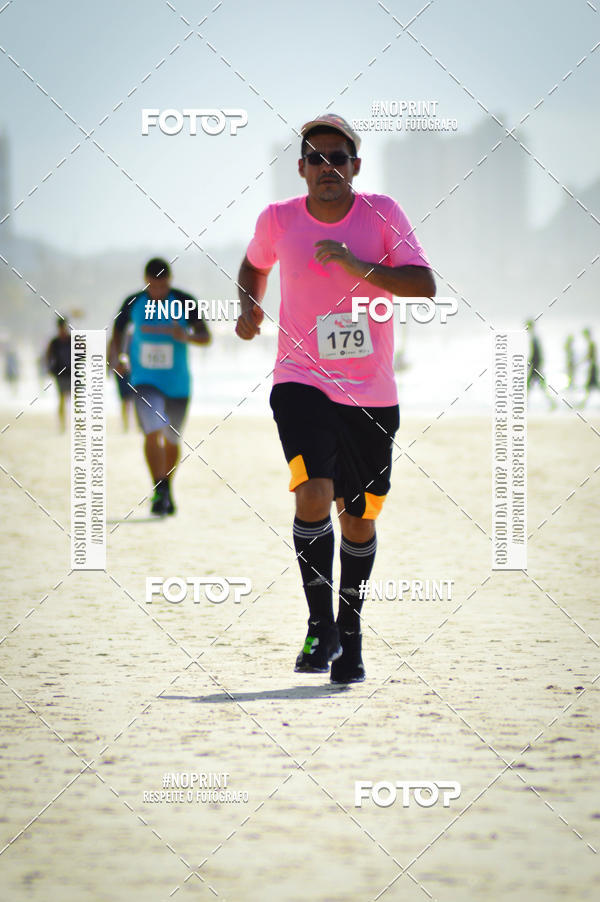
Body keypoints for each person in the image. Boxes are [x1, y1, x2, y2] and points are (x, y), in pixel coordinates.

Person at [235, 114, 435, 684]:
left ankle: (351, 637)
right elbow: (253, 265)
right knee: (312, 494)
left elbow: (423, 285)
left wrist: (355, 265)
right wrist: (250, 307)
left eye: (338, 158)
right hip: (301, 379)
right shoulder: (278, 220)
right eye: (315, 159)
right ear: (299, 168)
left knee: (359, 519)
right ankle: (319, 628)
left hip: (371, 393)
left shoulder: (382, 215)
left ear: (355, 167)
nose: (327, 168)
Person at [110, 258, 211, 515]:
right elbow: (117, 334)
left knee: (172, 438)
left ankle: (166, 487)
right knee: (152, 432)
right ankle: (159, 488)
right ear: (146, 282)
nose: (158, 292)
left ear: (170, 281)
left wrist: (186, 336)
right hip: (145, 381)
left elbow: (205, 337)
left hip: (178, 384)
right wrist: (117, 358)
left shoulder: (184, 300)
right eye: (154, 287)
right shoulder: (133, 302)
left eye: (163, 287)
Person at [46, 317, 71, 431]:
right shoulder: (55, 343)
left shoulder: (72, 340)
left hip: (72, 373)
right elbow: (48, 356)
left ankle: (78, 425)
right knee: (62, 398)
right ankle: (62, 425)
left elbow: (82, 352)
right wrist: (50, 369)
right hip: (60, 373)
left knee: (76, 399)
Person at [525, 319, 556, 409]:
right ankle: (552, 404)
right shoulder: (534, 338)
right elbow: (539, 354)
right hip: (536, 367)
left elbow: (535, 354)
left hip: (535, 367)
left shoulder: (534, 338)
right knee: (540, 387)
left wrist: (530, 364)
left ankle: (524, 405)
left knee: (529, 387)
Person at [579, 327, 599, 408]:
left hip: (592, 367)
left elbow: (589, 356)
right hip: (593, 367)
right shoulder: (591, 343)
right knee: (592, 386)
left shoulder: (591, 344)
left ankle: (583, 404)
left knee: (590, 386)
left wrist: (579, 363)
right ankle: (583, 404)